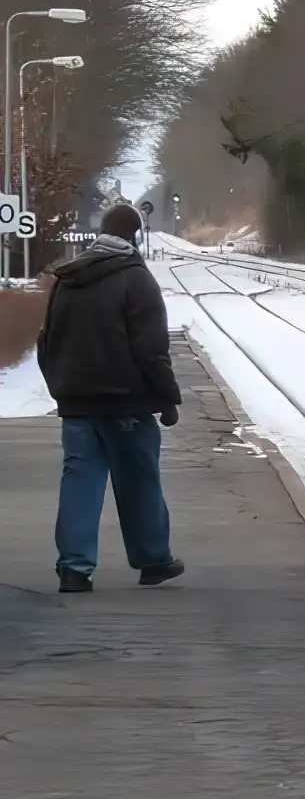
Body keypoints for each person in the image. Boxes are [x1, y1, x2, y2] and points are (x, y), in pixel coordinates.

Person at [41, 201, 184, 593]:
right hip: (126, 403)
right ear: (134, 236)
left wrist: (61, 387)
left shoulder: (68, 279)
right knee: (139, 481)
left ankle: (73, 569)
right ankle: (154, 560)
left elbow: (46, 341)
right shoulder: (136, 279)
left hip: (77, 403)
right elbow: (151, 348)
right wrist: (167, 398)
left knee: (79, 483)